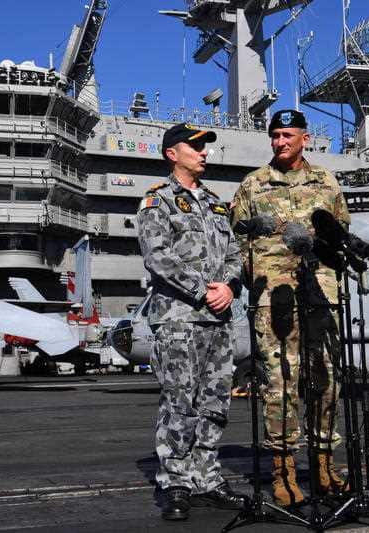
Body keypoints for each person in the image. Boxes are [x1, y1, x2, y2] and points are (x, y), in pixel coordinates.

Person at [231, 109, 351, 507]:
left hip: (320, 292)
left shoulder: (326, 182)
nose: (279, 142)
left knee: (327, 379)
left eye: (287, 135)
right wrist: (256, 283)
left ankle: (323, 464)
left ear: (304, 138)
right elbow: (238, 241)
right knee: (280, 385)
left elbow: (340, 233)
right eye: (275, 136)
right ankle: (282, 471)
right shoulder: (253, 185)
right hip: (274, 299)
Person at [137, 123, 247, 521]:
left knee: (214, 403)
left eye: (205, 147)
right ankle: (176, 482)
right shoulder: (158, 202)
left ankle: (207, 477)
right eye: (195, 146)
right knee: (179, 403)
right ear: (172, 153)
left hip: (217, 321)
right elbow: (159, 258)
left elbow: (234, 253)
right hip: (180, 320)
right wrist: (206, 290)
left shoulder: (217, 204)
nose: (204, 153)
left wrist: (231, 286)